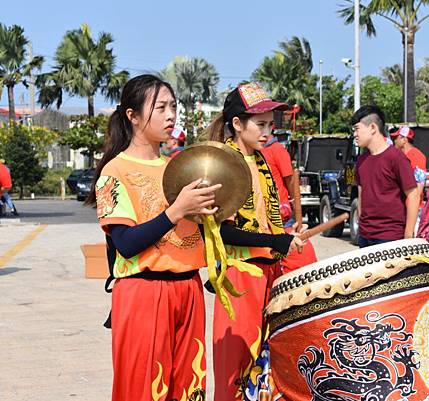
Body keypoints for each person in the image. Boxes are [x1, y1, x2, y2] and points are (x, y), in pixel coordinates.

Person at [87, 74, 222, 401]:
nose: (170, 114)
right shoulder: (114, 171)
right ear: (133, 116)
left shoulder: (181, 168)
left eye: (172, 106)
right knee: (143, 390)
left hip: (188, 289)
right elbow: (126, 243)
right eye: (160, 107)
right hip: (144, 293)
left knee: (190, 388)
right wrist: (176, 211)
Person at [205, 82, 305, 401]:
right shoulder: (222, 164)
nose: (267, 132)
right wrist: (273, 239)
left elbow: (268, 219)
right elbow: (223, 231)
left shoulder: (260, 161)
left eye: (270, 125)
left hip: (269, 274)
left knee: (266, 364)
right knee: (237, 366)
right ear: (237, 124)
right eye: (260, 124)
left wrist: (282, 240)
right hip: (240, 276)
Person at [352, 105, 419, 248]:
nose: (355, 134)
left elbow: (413, 195)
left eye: (357, 129)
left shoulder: (396, 158)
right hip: (365, 236)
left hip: (390, 237)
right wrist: (361, 227)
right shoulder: (361, 161)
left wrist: (408, 236)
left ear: (372, 128)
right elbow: (361, 194)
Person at [262, 129, 318, 274]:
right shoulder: (256, 153)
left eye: (265, 125)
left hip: (281, 218)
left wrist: (293, 205)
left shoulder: (277, 149)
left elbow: (290, 179)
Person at [390, 126, 427, 206]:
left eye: (396, 138)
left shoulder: (418, 156)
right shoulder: (399, 156)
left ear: (404, 139)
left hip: (411, 208)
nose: (394, 141)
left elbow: (418, 188)